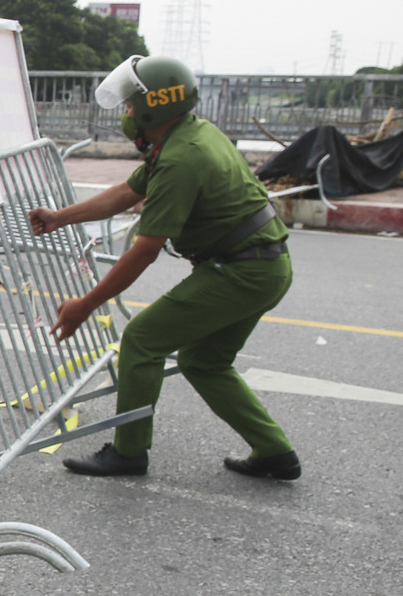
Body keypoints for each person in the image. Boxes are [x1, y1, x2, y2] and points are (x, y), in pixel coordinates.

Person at [28, 54, 299, 481]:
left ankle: (128, 452)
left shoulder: (180, 160)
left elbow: (144, 250)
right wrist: (61, 216)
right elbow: (124, 192)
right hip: (265, 266)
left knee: (142, 340)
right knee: (204, 361)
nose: (128, 113)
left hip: (241, 272)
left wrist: (86, 304)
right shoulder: (190, 135)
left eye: (132, 105)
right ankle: (274, 452)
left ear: (155, 106)